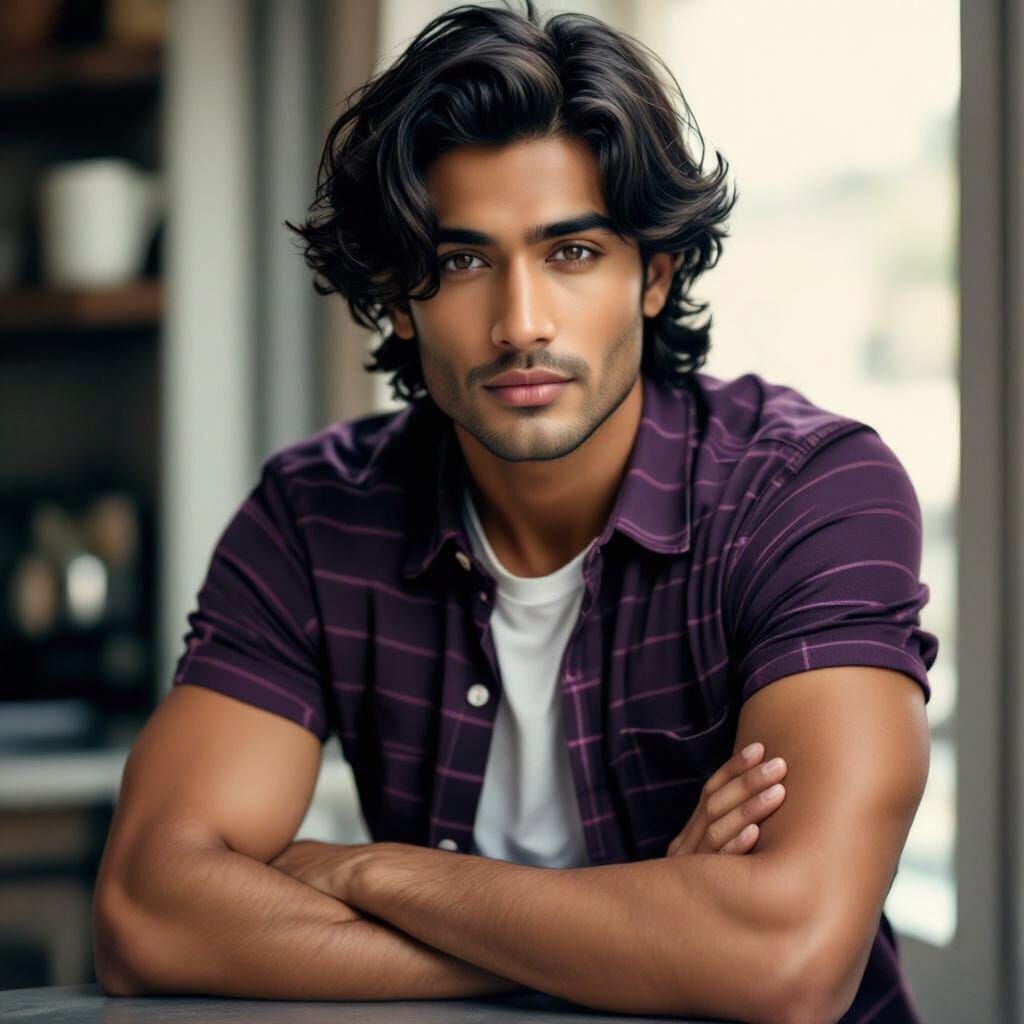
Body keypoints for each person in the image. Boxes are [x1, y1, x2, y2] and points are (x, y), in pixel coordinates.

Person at [93, 3, 939, 1021]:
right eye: (461, 262)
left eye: (571, 252)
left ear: (653, 275)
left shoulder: (807, 492)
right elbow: (149, 914)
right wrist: (648, 935)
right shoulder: (314, 519)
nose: (520, 322)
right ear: (398, 300)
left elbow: (787, 961)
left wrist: (370, 872)